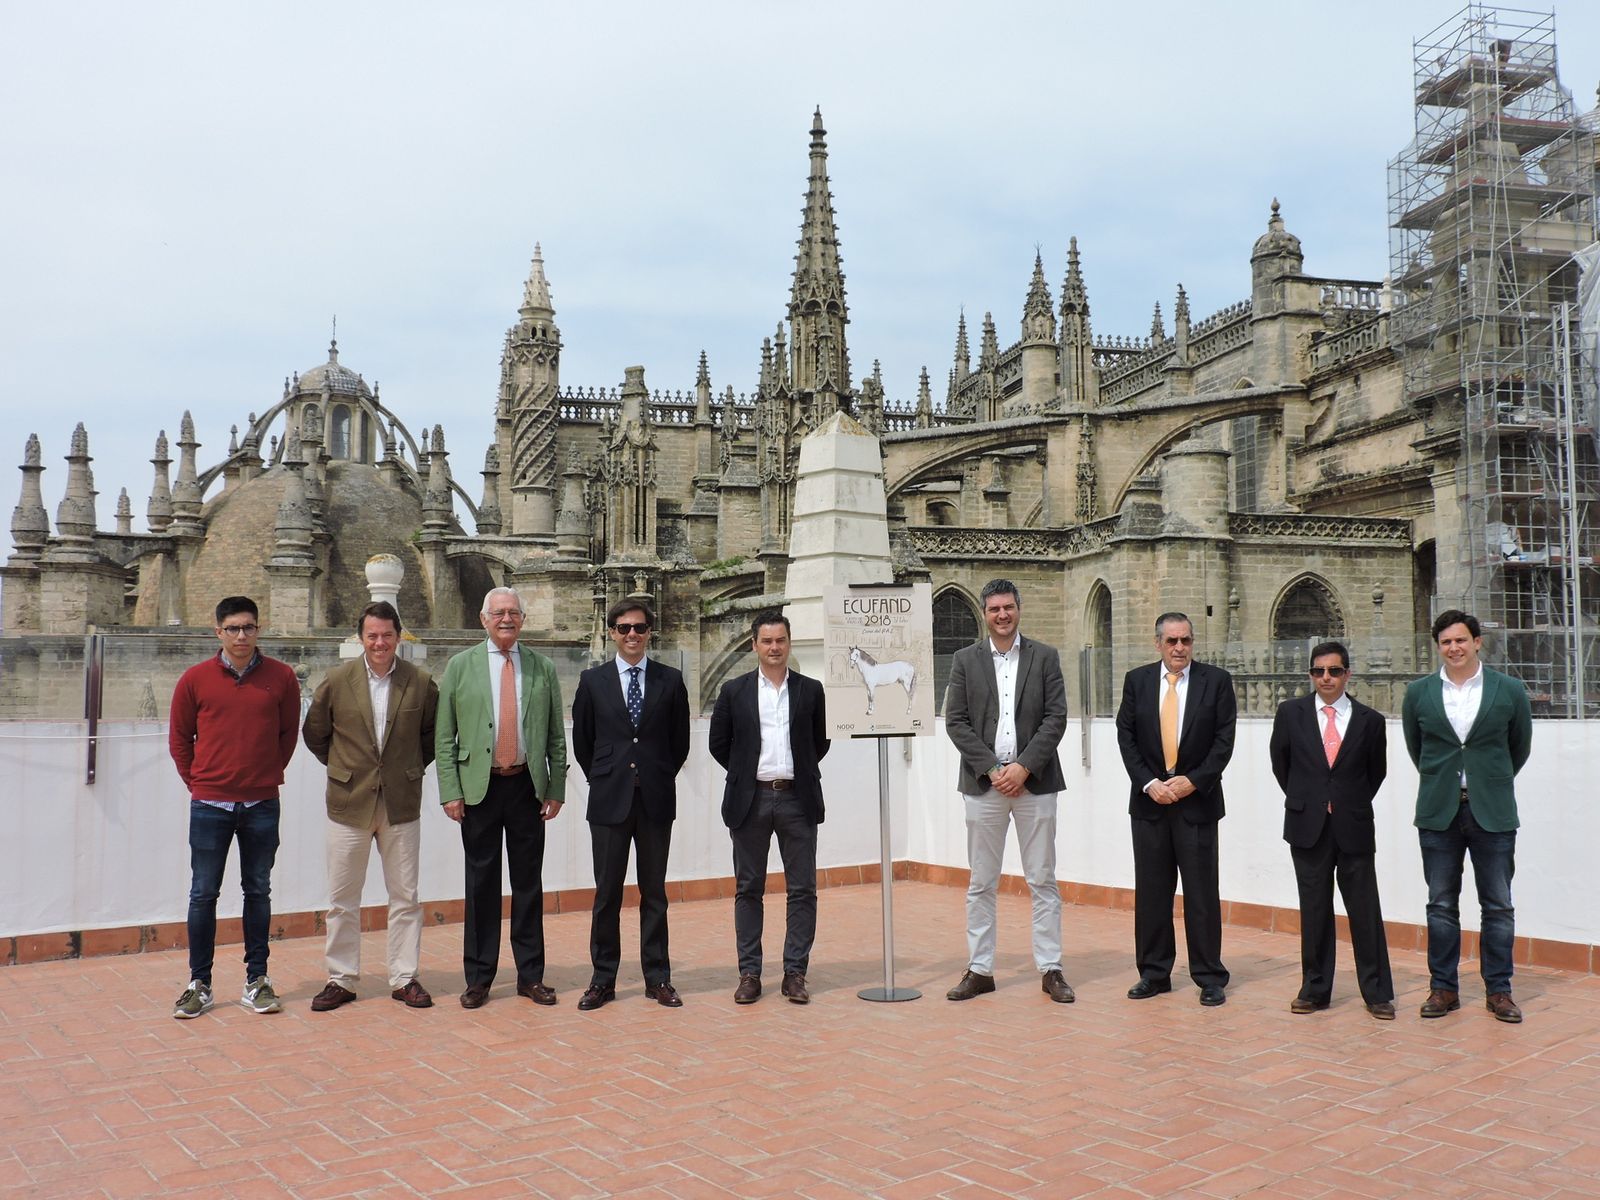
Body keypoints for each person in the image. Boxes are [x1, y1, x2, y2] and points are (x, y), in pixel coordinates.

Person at [301, 601, 440, 1012]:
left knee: (406, 896)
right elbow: (315, 734)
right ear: (360, 638)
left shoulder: (420, 682)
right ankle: (341, 978)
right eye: (372, 636)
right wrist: (345, 770)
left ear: (399, 636)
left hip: (400, 802)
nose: (380, 643)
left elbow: (431, 737)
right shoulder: (336, 680)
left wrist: (408, 769)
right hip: (349, 802)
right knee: (343, 898)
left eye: (387, 635)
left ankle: (403, 977)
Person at [167, 596, 300, 1019]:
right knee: (203, 893)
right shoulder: (195, 680)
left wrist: (260, 775)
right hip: (210, 804)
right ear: (218, 632)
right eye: (233, 628)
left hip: (262, 803)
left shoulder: (280, 678)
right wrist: (203, 782)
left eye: (249, 627)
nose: (241, 635)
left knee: (257, 891)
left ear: (259, 630)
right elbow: (179, 740)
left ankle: (256, 979)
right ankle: (199, 983)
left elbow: (287, 736)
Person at [435, 586, 568, 1009]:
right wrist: (451, 790)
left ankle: (531, 976)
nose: (506, 619)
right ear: (484, 619)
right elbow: (444, 736)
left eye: (513, 612)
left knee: (529, 884)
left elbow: (554, 736)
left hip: (527, 786)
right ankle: (479, 978)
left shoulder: (542, 667)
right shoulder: (460, 666)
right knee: (481, 884)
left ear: (522, 620)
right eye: (498, 613)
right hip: (479, 788)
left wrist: (556, 787)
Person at [942, 579, 1073, 1004]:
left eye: (1008, 607)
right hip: (984, 786)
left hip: (1036, 783)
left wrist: (1023, 767)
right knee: (981, 882)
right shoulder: (965, 660)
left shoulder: (1045, 657)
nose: (1002, 615)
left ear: (1019, 609)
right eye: (995, 609)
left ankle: (1051, 969)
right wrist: (995, 769)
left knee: (1042, 879)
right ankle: (980, 970)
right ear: (985, 613)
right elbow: (955, 721)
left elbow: (1056, 717)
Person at [1402, 610, 1532, 1024]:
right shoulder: (1419, 693)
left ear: (1477, 642)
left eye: (1461, 640)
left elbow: (1519, 748)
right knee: (1440, 904)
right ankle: (1443, 988)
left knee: (1498, 905)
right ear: (1438, 647)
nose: (1454, 648)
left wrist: (1486, 781)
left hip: (1492, 811)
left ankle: (1499, 990)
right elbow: (1416, 747)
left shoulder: (1508, 690)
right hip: (1439, 811)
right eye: (1446, 642)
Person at [570, 600, 691, 1010]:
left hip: (655, 799)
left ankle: (657, 977)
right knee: (607, 894)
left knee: (654, 893)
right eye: (624, 628)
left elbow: (680, 743)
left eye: (639, 627)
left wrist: (653, 774)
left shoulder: (670, 681)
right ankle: (603, 979)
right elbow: (584, 742)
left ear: (650, 632)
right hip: (609, 800)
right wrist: (607, 776)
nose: (632, 635)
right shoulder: (593, 681)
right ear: (612, 633)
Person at [708, 611, 830, 1005]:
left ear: (788, 643)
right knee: (748, 889)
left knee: (802, 889)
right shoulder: (734, 691)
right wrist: (747, 773)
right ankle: (750, 973)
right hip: (751, 799)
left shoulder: (811, 691)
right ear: (754, 645)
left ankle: (795, 973)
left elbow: (819, 743)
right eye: (767, 641)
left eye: (780, 640)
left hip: (798, 798)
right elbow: (718, 743)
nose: (774, 647)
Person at [1115, 611, 1235, 1006]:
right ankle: (1154, 973)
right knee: (1152, 894)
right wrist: (1150, 783)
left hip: (1196, 804)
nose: (1179, 648)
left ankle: (1209, 976)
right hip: (1150, 804)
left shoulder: (1215, 682)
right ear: (1158, 644)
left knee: (1201, 895)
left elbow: (1223, 741)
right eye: (1172, 641)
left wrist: (1193, 781)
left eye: (1185, 641)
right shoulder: (1137, 682)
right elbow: (1126, 737)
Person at [1270, 640, 1395, 1020]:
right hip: (1307, 826)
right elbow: (1282, 764)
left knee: (1365, 911)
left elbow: (1376, 772)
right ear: (1310, 674)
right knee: (1315, 910)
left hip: (1353, 826)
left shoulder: (1369, 721)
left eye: (1335, 670)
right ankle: (1315, 989)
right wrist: (1310, 800)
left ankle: (1376, 993)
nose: (1327, 677)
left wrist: (1344, 802)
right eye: (1319, 671)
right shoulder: (1290, 714)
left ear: (1347, 674)